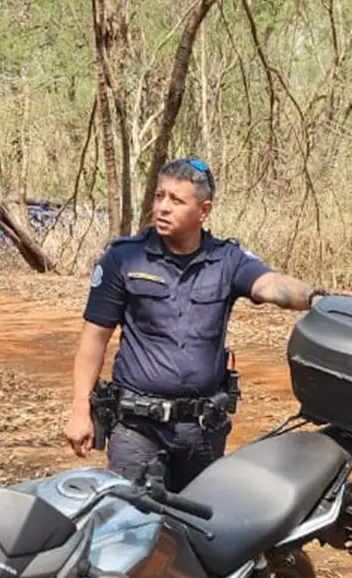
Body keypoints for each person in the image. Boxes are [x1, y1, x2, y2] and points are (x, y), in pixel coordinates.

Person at [63, 157, 331, 490]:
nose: (162, 207)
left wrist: (317, 298)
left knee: (196, 530)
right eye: (160, 196)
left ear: (203, 211)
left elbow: (269, 284)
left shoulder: (227, 260)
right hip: (137, 428)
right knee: (136, 528)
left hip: (203, 431)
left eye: (176, 200)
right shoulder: (124, 258)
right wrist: (79, 410)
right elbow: (94, 339)